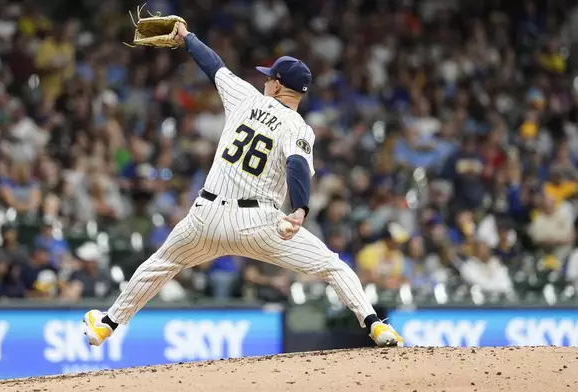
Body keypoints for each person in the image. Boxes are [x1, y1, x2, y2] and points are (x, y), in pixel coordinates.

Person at [83, 21, 403, 348]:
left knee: (161, 265)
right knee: (333, 267)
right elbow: (296, 164)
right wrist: (301, 208)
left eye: (269, 77)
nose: (264, 81)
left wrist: (187, 37)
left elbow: (213, 65)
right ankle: (376, 326)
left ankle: (106, 325)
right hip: (259, 225)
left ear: (278, 86)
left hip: (205, 217)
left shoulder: (245, 98)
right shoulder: (299, 127)